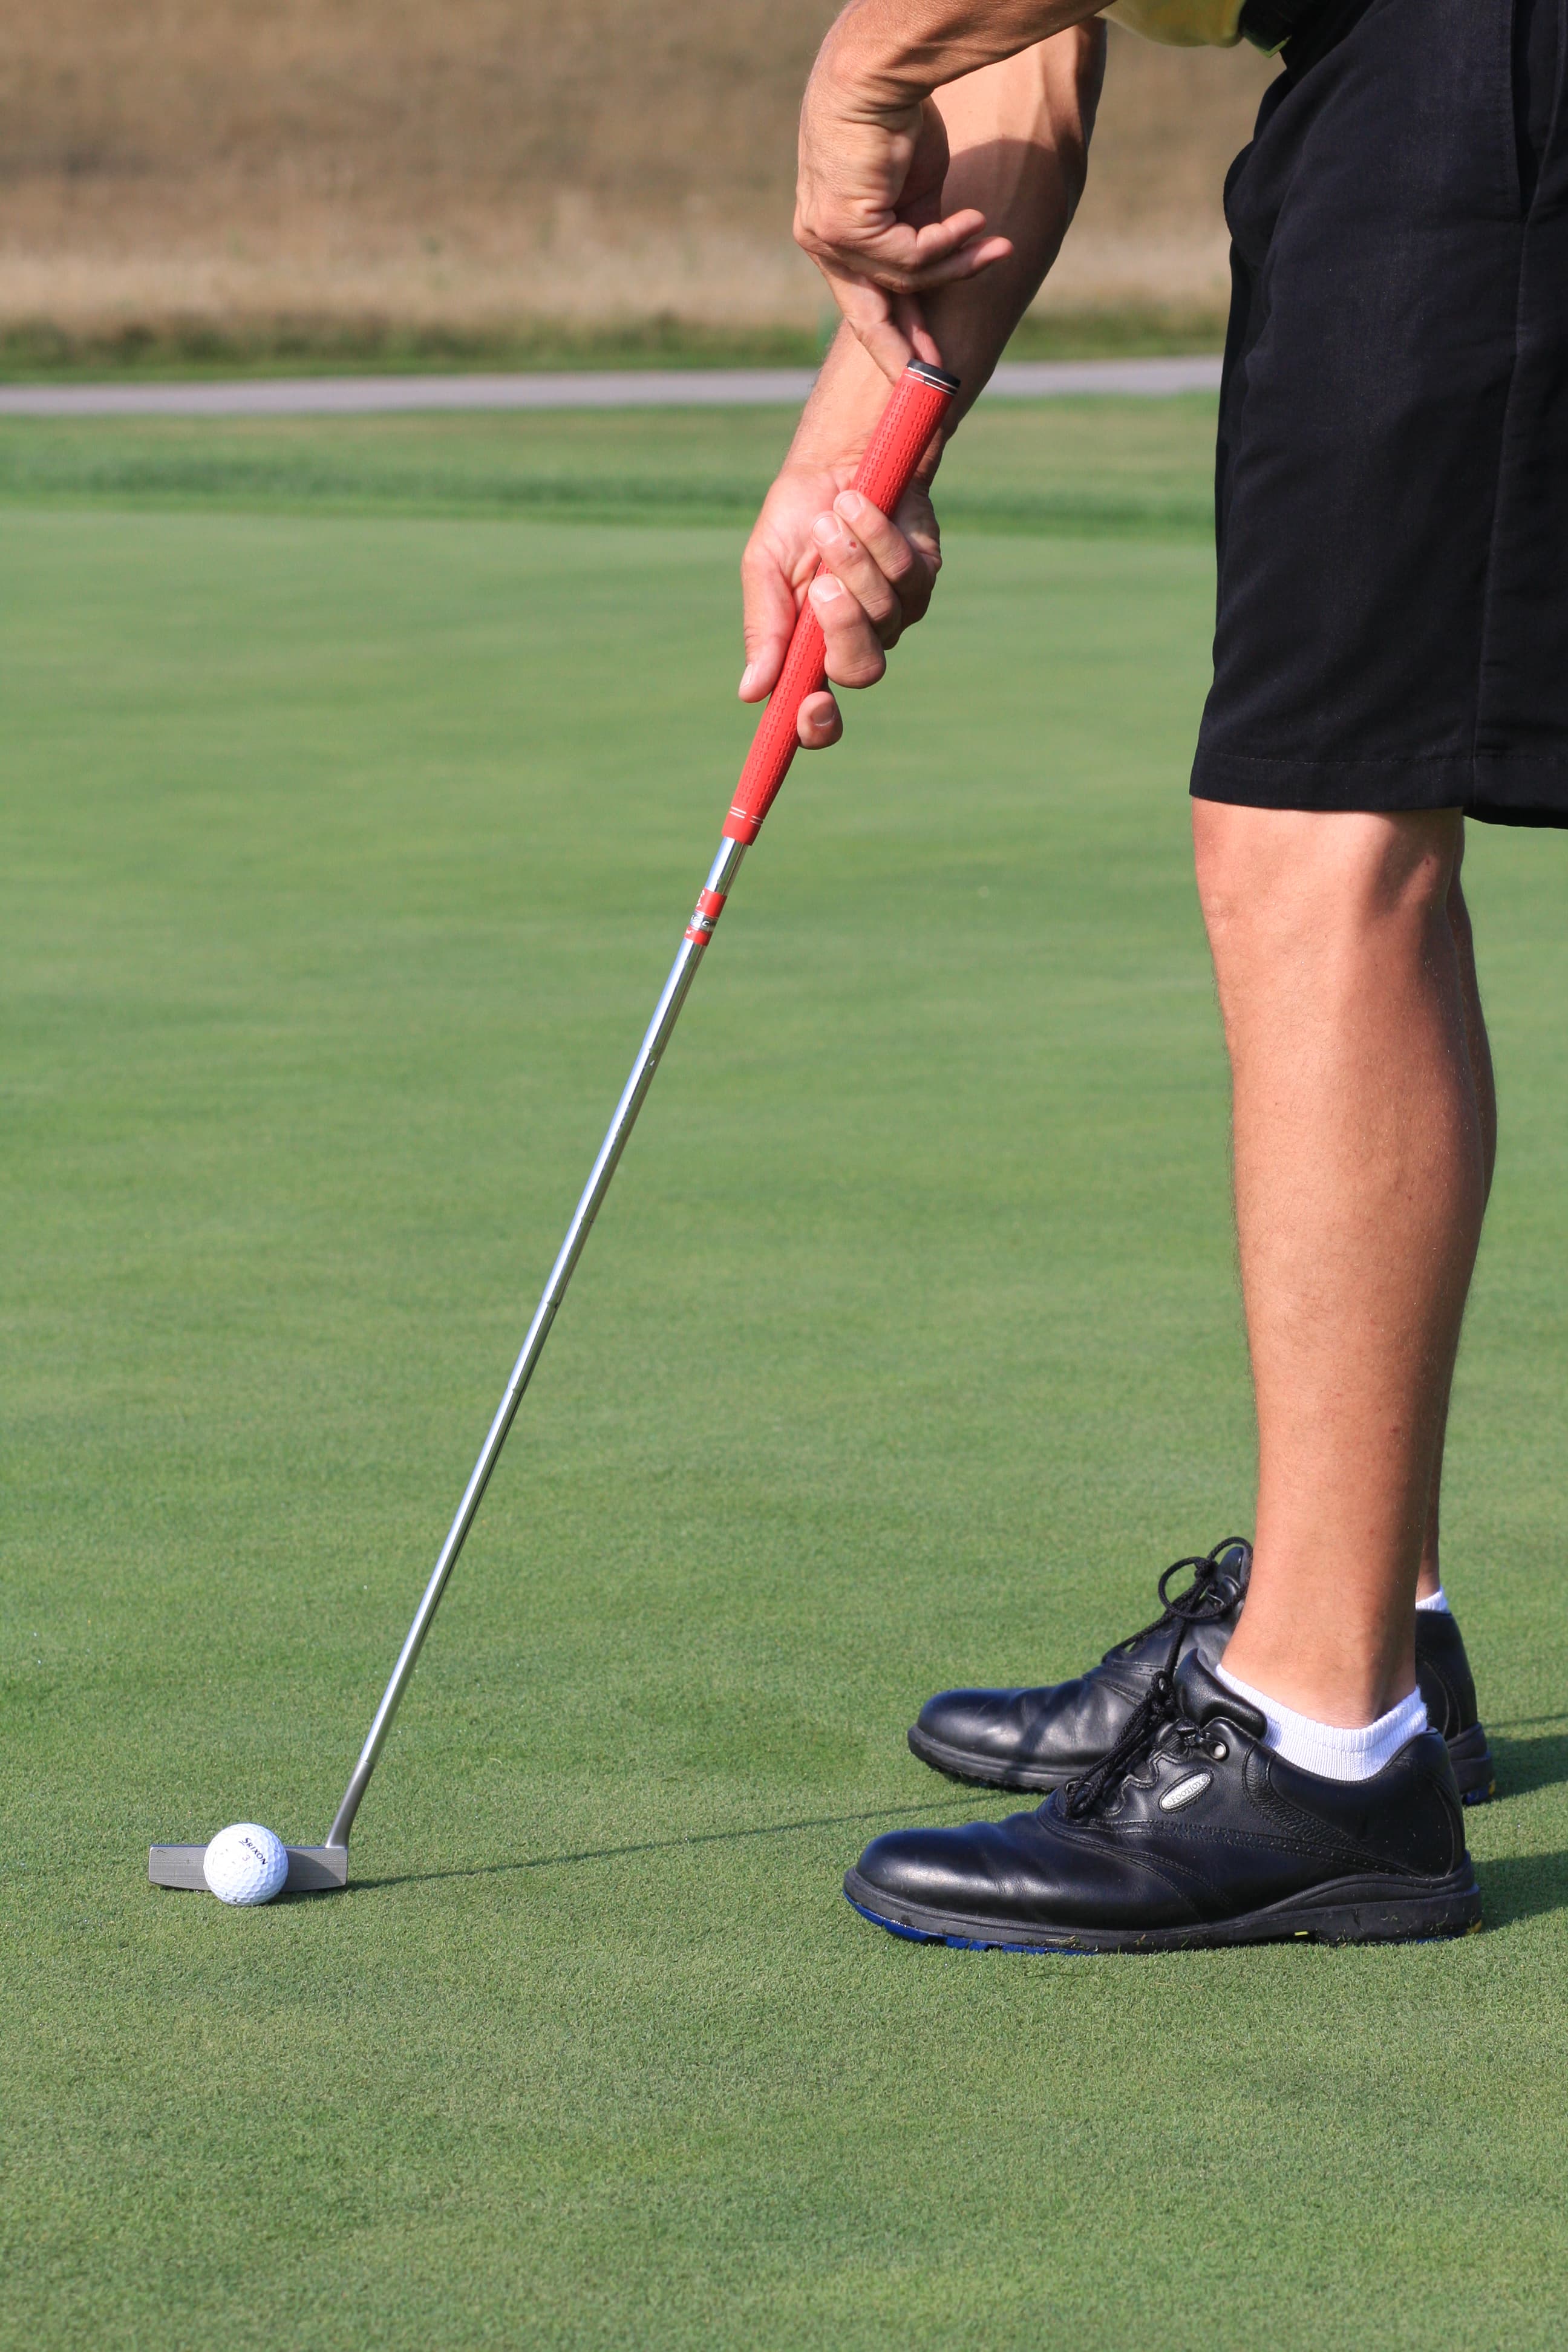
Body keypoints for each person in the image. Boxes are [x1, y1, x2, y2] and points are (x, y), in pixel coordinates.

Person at [741, 0, 1566, 1949]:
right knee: (1308, 822)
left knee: (1327, 837)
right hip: (1391, 63)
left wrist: (860, 63)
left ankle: (1322, 1745)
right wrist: (862, 454)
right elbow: (1027, 54)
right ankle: (1368, 1616)